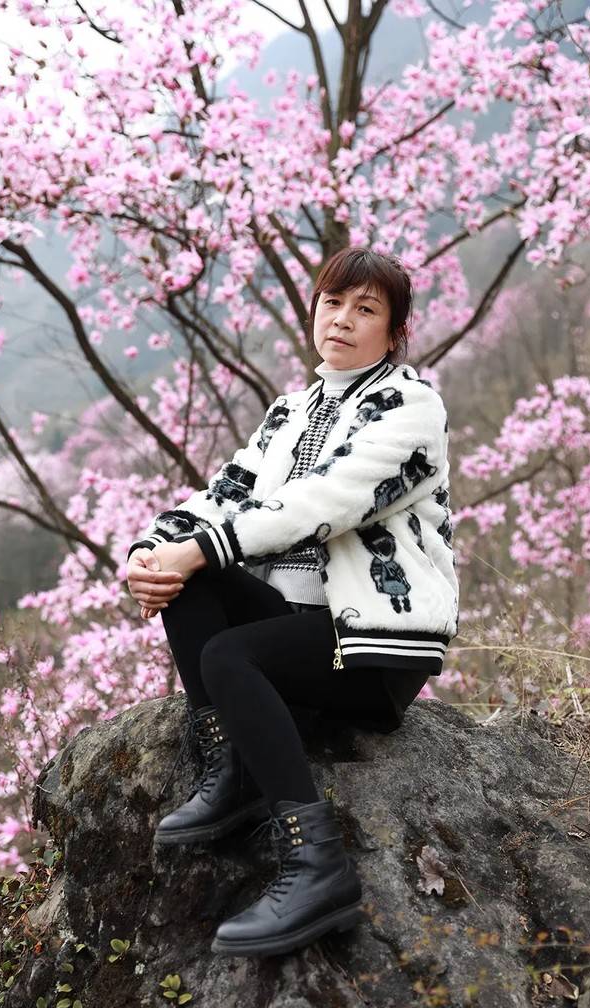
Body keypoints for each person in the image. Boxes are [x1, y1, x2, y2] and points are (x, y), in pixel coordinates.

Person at [126, 247, 459, 958]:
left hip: (370, 643)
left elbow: (328, 499)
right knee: (190, 582)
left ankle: (318, 866)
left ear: (395, 332)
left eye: (366, 309)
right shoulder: (290, 413)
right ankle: (234, 766)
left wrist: (205, 547)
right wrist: (151, 553)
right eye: (332, 303)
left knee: (227, 653)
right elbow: (223, 494)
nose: (342, 320)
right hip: (297, 633)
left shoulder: (412, 407)